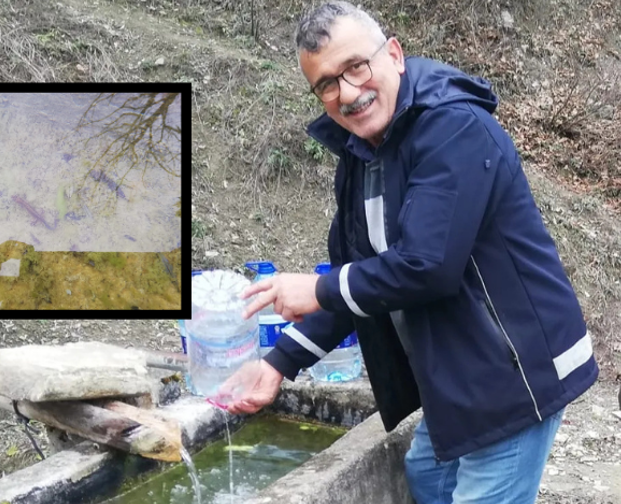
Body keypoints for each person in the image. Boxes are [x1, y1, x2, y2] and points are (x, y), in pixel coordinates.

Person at [220, 2, 599, 503]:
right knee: (425, 475)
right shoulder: (362, 154)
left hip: (515, 376)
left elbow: (426, 267)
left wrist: (317, 288)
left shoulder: (453, 128)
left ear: (394, 54)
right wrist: (278, 363)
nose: (348, 93)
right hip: (459, 376)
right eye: (327, 84)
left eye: (356, 66)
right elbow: (359, 279)